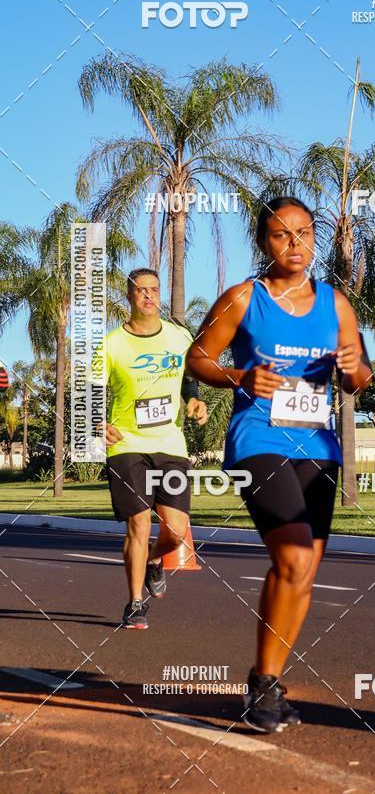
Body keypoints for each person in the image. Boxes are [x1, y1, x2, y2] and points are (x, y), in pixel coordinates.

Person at [186, 197, 372, 732]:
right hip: (258, 440)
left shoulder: (336, 305)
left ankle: (265, 680)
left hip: (317, 448)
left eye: (304, 233)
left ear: (315, 239)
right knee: (292, 558)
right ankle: (264, 685)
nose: (294, 244)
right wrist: (239, 377)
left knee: (303, 571)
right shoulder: (246, 297)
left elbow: (358, 378)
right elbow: (198, 356)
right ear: (264, 243)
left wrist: (355, 366)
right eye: (280, 234)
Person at [102, 268, 208, 629]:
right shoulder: (112, 343)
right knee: (138, 523)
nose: (148, 296)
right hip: (128, 445)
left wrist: (193, 400)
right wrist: (99, 424)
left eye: (154, 289)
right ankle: (135, 603)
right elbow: (87, 392)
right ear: (129, 296)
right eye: (140, 290)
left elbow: (190, 376)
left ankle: (151, 561)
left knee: (176, 531)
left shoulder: (179, 336)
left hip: (170, 444)